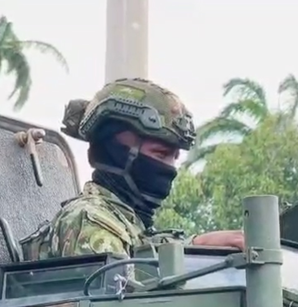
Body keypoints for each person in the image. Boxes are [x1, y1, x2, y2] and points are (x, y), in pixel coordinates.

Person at [20, 78, 244, 261]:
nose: (169, 168)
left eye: (174, 158)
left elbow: (143, 253)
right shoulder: (90, 220)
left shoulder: (128, 224)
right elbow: (124, 306)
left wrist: (196, 245)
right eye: (160, 154)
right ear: (115, 151)